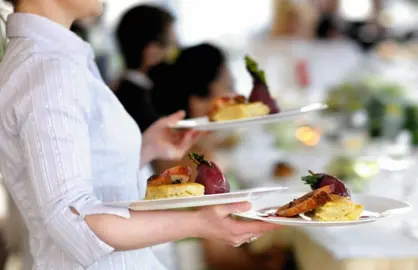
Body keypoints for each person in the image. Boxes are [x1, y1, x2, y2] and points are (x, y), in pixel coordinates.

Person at [0, 1, 280, 270]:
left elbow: (74, 178)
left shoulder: (56, 57)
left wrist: (144, 149)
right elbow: (73, 220)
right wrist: (199, 223)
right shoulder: (47, 68)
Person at [149, 43, 292, 270]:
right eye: (228, 87)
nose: (237, 97)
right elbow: (219, 257)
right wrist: (273, 261)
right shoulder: (200, 162)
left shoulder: (171, 146)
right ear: (198, 100)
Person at [114, 4, 177, 132]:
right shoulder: (138, 104)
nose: (173, 53)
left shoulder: (120, 90)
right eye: (171, 45)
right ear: (151, 51)